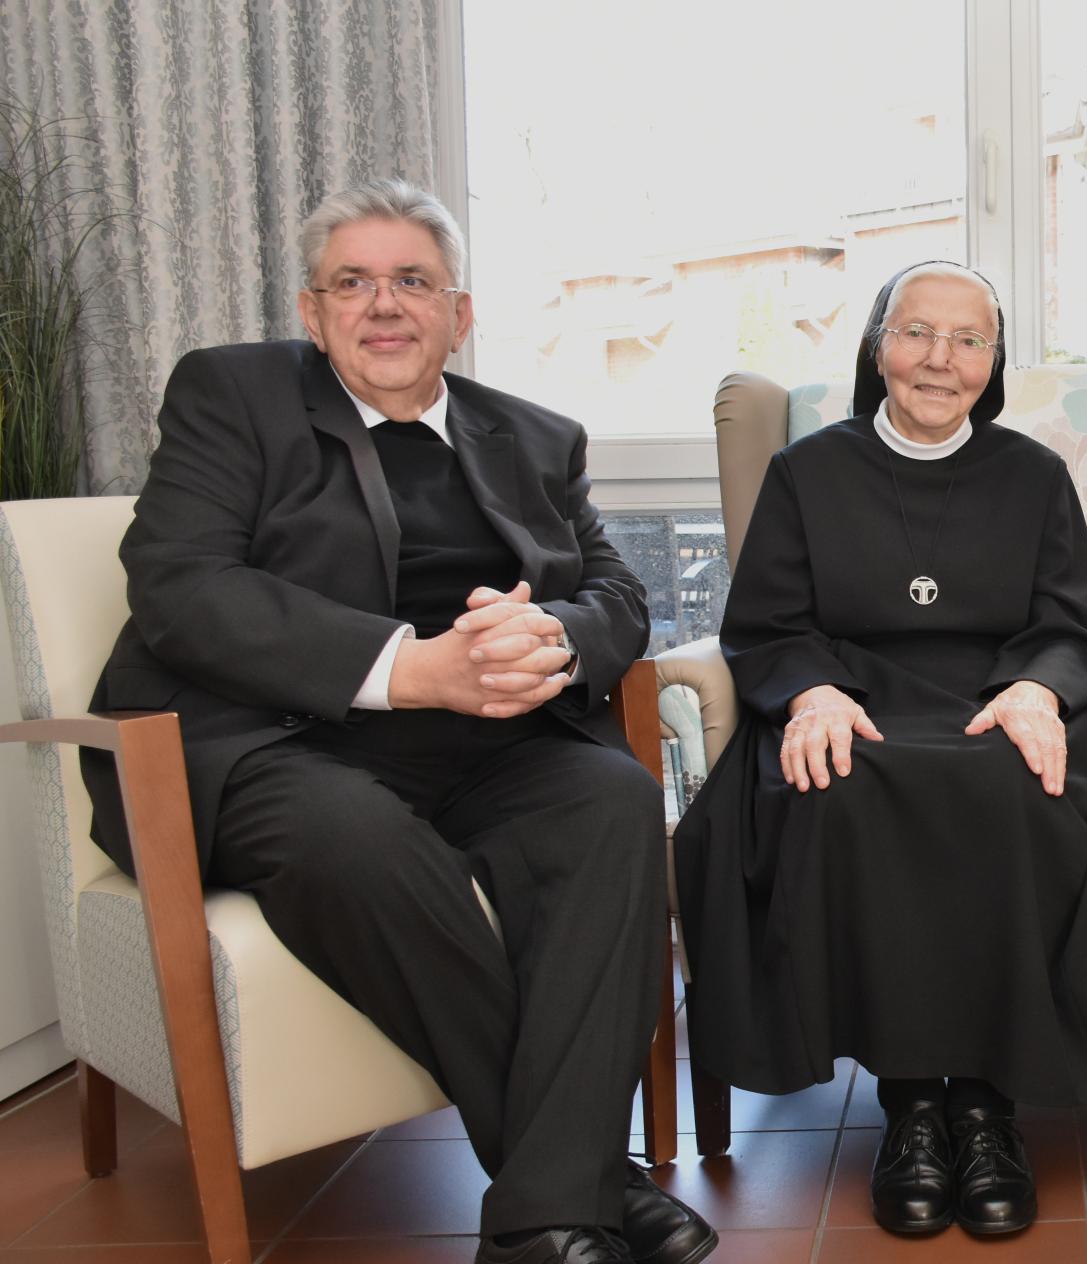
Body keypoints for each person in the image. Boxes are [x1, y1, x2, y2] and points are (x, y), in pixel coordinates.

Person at [79, 180, 711, 1264]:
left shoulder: (535, 436)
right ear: (311, 310)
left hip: (490, 745)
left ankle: (541, 1217)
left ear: (458, 315)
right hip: (270, 740)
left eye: (411, 281)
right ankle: (576, 1192)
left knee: (610, 798)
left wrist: (551, 640)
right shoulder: (233, 396)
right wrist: (405, 669)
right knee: (353, 835)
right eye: (352, 283)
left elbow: (616, 593)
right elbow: (178, 585)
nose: (383, 305)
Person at [671, 261, 1087, 1238]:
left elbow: (1070, 622)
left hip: (996, 703)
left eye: (968, 340)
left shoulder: (1031, 475)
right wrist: (810, 689)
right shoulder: (807, 472)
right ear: (879, 346)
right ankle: (913, 1102)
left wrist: (1040, 689)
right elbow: (763, 621)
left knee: (1026, 786)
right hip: (856, 704)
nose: (939, 360)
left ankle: (988, 1104)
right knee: (836, 783)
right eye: (917, 333)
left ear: (992, 363)